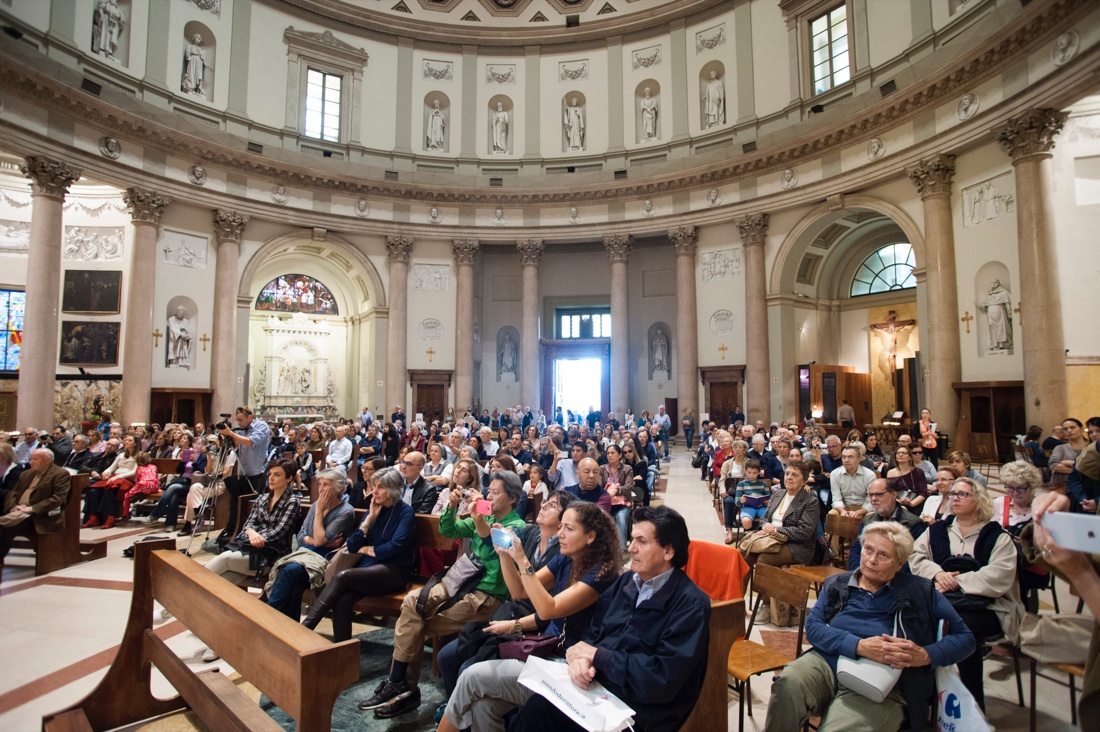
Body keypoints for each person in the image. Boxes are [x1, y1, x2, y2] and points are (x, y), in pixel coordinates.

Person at [511, 505, 711, 732]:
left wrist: (599, 657)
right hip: (603, 688)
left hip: (642, 710)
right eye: (632, 539)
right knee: (535, 708)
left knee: (542, 717)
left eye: (641, 542)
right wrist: (581, 659)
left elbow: (661, 678)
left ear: (668, 551)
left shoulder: (690, 605)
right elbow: (595, 631)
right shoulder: (627, 583)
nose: (631, 548)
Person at [764, 521, 975, 732]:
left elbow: (965, 638)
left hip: (883, 680)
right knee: (788, 683)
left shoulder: (920, 591)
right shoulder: (838, 584)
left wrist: (926, 655)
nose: (872, 560)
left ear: (899, 564)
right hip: (829, 661)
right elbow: (814, 628)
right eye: (868, 550)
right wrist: (858, 645)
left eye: (883, 556)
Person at [439, 501, 621, 732]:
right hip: (548, 654)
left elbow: (548, 609)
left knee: (471, 676)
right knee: (484, 707)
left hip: (571, 668)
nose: (561, 533)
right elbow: (520, 593)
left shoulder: (602, 573)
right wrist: (505, 555)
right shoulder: (567, 558)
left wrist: (522, 558)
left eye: (569, 529)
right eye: (561, 526)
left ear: (591, 536)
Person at [358, 470, 527, 719]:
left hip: (486, 594)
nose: (489, 496)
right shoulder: (486, 514)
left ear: (512, 498)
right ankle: (402, 688)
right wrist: (451, 505)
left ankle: (402, 687)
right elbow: (449, 530)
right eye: (488, 491)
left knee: (413, 622)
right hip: (461, 584)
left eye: (495, 492)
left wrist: (479, 520)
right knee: (412, 603)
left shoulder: (517, 526)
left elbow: (496, 551)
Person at [909, 477, 1024, 709]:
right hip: (944, 599)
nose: (954, 499)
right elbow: (915, 556)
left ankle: (973, 701)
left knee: (962, 629)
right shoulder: (939, 530)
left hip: (990, 606)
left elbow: (999, 575)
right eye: (952, 494)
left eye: (962, 494)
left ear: (979, 499)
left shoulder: (997, 536)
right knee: (914, 619)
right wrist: (937, 574)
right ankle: (925, 696)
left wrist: (957, 581)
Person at [199, 458, 300, 662]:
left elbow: (279, 533)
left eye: (277, 474)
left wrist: (256, 534)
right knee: (222, 588)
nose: (271, 478)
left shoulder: (292, 502)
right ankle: (216, 643)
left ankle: (185, 588)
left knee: (225, 558)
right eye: (270, 474)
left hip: (271, 558)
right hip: (249, 552)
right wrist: (252, 533)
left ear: (289, 478)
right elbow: (248, 525)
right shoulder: (262, 499)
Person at [300, 467, 415, 638]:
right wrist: (369, 519)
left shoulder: (405, 512)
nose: (374, 491)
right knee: (342, 600)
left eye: (380, 487)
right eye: (374, 486)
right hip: (368, 569)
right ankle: (342, 648)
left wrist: (368, 549)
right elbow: (353, 546)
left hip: (395, 571)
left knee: (343, 576)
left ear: (392, 490)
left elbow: (395, 547)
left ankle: (306, 627)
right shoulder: (375, 509)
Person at [266, 467, 356, 621]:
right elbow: (301, 536)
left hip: (324, 560)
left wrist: (320, 514)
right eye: (320, 484)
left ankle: (267, 614)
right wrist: (318, 540)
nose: (321, 489)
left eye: (326, 485)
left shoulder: (345, 511)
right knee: (295, 585)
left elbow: (320, 540)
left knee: (290, 571)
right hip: (304, 554)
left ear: (339, 488)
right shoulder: (316, 505)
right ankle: (289, 626)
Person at [743, 461, 821, 625]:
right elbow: (765, 517)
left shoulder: (810, 501)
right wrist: (765, 525)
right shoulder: (778, 494)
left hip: (797, 546)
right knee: (744, 555)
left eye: (795, 475)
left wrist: (777, 531)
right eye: (787, 474)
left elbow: (804, 532)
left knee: (765, 559)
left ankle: (764, 606)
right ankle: (736, 600)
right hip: (771, 539)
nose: (789, 477)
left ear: (804, 480)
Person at [0, 449, 71, 570]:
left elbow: (57, 499)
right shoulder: (27, 474)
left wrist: (31, 509)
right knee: (6, 524)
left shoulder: (60, 474)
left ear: (47, 460)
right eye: (31, 459)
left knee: (8, 527)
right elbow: (13, 493)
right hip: (19, 511)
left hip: (42, 515)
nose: (31, 462)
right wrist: (14, 506)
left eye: (35, 459)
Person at [995, 460, 1050, 612]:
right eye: (1010, 487)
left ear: (1032, 487)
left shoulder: (1042, 508)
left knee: (1012, 579)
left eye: (1020, 488)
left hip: (1030, 565)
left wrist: (1030, 542)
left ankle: (1024, 617)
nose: (1014, 493)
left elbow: (1050, 545)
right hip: (1003, 561)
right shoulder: (1000, 503)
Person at [218, 406, 272, 543]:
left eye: (241, 420)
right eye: (237, 420)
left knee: (254, 506)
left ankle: (252, 533)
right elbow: (238, 445)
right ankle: (233, 531)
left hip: (257, 472)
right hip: (243, 472)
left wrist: (232, 434)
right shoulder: (242, 430)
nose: (239, 423)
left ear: (249, 417)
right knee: (236, 503)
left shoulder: (262, 426)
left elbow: (251, 442)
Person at [846, 478, 924, 570]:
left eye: (879, 494)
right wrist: (858, 571)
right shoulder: (868, 520)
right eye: (871, 495)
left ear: (894, 495)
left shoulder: (914, 523)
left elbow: (912, 559)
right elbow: (857, 549)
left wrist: (884, 575)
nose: (873, 499)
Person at [81, 434, 139, 529]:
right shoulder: (121, 455)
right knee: (93, 490)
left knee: (109, 490)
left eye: (129, 440)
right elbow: (112, 468)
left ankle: (110, 518)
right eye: (126, 439)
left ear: (135, 443)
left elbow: (134, 472)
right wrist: (106, 473)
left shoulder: (139, 455)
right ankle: (93, 517)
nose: (126, 442)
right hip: (114, 478)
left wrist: (117, 477)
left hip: (127, 480)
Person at [600, 444, 635, 548]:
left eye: (613, 453)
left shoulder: (627, 468)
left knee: (621, 517)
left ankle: (621, 549)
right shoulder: (602, 469)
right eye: (608, 453)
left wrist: (615, 491)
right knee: (599, 516)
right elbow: (598, 486)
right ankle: (603, 549)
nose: (610, 455)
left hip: (622, 503)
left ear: (620, 455)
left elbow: (628, 486)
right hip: (606, 502)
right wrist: (608, 495)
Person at [830, 444, 876, 519]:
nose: (846, 460)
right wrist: (843, 511)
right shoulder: (835, 474)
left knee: (871, 516)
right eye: (844, 457)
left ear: (859, 459)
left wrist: (859, 512)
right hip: (844, 507)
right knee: (832, 514)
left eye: (850, 457)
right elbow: (836, 499)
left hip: (864, 508)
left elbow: (870, 500)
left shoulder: (869, 475)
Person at [731, 458, 770, 541]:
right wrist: (741, 500)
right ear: (745, 471)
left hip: (762, 507)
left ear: (759, 472)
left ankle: (760, 537)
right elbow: (736, 501)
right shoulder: (742, 484)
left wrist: (768, 501)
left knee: (767, 520)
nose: (751, 475)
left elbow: (769, 498)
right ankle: (749, 537)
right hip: (748, 507)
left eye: (754, 473)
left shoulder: (763, 484)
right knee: (746, 521)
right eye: (749, 473)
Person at [887, 445, 928, 513]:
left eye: (904, 453)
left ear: (909, 457)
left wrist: (911, 504)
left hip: (915, 503)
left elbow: (923, 493)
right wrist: (899, 502)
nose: (900, 455)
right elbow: (889, 493)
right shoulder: (890, 473)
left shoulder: (918, 472)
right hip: (897, 504)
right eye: (898, 453)